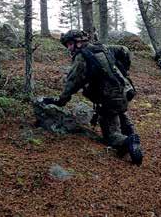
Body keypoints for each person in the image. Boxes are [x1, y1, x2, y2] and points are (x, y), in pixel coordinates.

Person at [43, 30, 143, 165]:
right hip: (125, 90)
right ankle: (131, 134)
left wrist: (60, 101)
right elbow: (124, 50)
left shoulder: (82, 57)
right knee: (120, 112)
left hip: (108, 98)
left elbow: (71, 83)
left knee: (110, 134)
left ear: (78, 43)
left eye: (70, 44)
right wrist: (125, 71)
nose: (68, 48)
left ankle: (127, 141)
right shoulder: (102, 47)